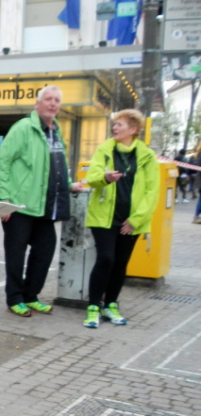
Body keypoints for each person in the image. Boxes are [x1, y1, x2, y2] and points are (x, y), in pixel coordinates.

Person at [0, 85, 83, 317]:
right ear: (37, 104)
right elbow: (1, 162)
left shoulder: (55, 132)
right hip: (19, 205)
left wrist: (69, 184)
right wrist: (4, 200)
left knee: (44, 252)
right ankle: (15, 298)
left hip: (45, 205)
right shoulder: (23, 128)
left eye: (57, 100)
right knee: (16, 254)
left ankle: (31, 296)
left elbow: (58, 165)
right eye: (48, 99)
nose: (53, 103)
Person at [83, 109, 159, 328]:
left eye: (120, 124)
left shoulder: (147, 156)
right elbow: (92, 178)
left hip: (131, 221)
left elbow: (152, 191)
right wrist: (105, 177)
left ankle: (111, 305)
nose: (114, 128)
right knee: (106, 259)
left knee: (120, 263)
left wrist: (137, 219)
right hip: (104, 217)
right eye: (114, 124)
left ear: (133, 129)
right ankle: (93, 307)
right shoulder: (105, 150)